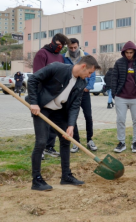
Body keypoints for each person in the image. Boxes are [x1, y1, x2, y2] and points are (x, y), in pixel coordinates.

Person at [28, 56, 101, 191]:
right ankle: (36, 179)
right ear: (83, 66)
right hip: (42, 107)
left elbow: (75, 105)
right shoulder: (57, 67)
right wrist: (33, 102)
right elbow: (33, 79)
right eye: (89, 72)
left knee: (66, 139)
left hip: (58, 111)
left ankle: (66, 176)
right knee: (41, 142)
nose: (89, 76)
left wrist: (71, 125)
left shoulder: (81, 83)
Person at [33, 33, 70, 159]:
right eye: (59, 44)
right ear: (53, 41)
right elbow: (37, 75)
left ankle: (50, 147)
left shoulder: (60, 56)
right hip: (43, 94)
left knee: (54, 124)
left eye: (62, 45)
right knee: (43, 123)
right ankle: (41, 149)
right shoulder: (42, 53)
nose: (60, 47)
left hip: (56, 94)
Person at [62, 38, 97, 153]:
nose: (73, 50)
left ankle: (90, 139)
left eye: (75, 47)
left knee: (88, 116)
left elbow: (92, 73)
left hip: (84, 91)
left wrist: (88, 87)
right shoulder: (64, 58)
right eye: (70, 48)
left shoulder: (86, 56)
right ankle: (76, 141)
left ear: (78, 46)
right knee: (73, 116)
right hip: (71, 93)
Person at [111, 41, 136, 153]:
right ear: (124, 52)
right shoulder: (119, 62)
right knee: (120, 119)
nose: (129, 54)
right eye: (127, 52)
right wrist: (114, 94)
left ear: (135, 52)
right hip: (121, 96)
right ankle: (121, 143)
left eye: (131, 52)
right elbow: (114, 78)